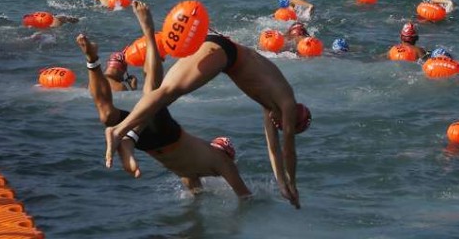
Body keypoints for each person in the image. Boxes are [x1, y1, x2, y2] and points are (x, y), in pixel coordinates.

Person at [104, 21, 310, 208]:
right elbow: (288, 150)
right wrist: (293, 183)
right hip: (223, 52)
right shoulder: (287, 103)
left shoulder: (271, 106)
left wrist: (283, 186)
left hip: (220, 50)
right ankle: (119, 130)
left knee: (163, 96)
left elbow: (273, 150)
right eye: (284, 125)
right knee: (167, 92)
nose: (279, 126)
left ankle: (129, 138)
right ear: (290, 119)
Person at [79, 1, 251, 198]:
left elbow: (196, 197)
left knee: (107, 115)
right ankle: (148, 29)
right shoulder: (222, 162)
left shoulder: (190, 173)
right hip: (168, 136)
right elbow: (244, 196)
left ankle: (92, 61)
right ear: (227, 153)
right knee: (152, 91)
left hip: (152, 142)